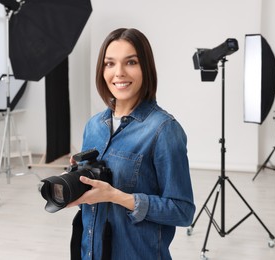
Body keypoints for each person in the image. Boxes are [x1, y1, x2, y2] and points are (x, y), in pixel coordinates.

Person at [67, 28, 195, 260]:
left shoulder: (164, 130)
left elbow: (182, 211)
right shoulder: (94, 125)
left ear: (146, 68)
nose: (119, 73)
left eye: (131, 62)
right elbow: (91, 204)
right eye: (110, 64)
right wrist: (76, 182)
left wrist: (116, 196)